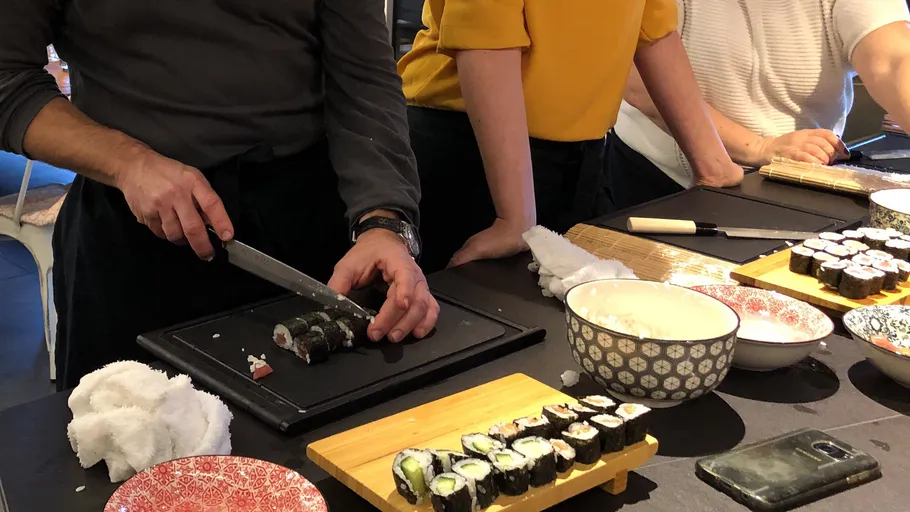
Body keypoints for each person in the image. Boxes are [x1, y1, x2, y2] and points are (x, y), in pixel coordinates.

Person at [0, 0, 439, 390]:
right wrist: (128, 162)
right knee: (130, 442)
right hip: (132, 233)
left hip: (304, 223)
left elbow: (364, 79)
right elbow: (7, 78)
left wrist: (384, 223)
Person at [397, 0, 744, 273]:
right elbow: (485, 36)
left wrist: (712, 164)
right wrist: (514, 219)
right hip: (471, 150)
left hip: (579, 158)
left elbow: (652, 27)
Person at [608, 0, 910, 210]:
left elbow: (893, 60)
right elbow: (639, 81)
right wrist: (759, 147)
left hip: (801, 177)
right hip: (652, 176)